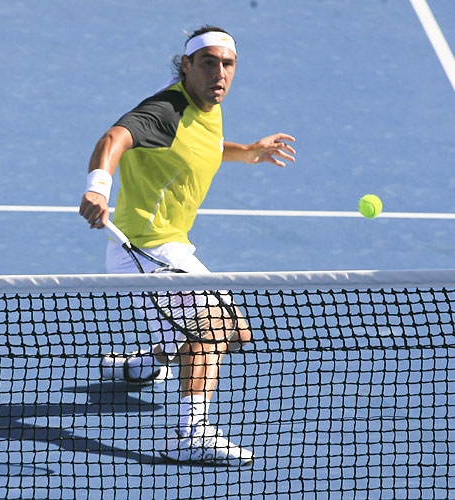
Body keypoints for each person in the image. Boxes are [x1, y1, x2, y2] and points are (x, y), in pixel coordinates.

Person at [79, 26, 295, 466]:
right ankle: (189, 434)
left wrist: (247, 151)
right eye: (209, 63)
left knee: (237, 333)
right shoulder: (166, 110)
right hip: (144, 252)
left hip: (173, 246)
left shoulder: (208, 104)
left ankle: (142, 366)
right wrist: (98, 188)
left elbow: (202, 144)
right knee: (208, 329)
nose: (220, 73)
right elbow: (113, 139)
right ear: (186, 65)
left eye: (227, 64)